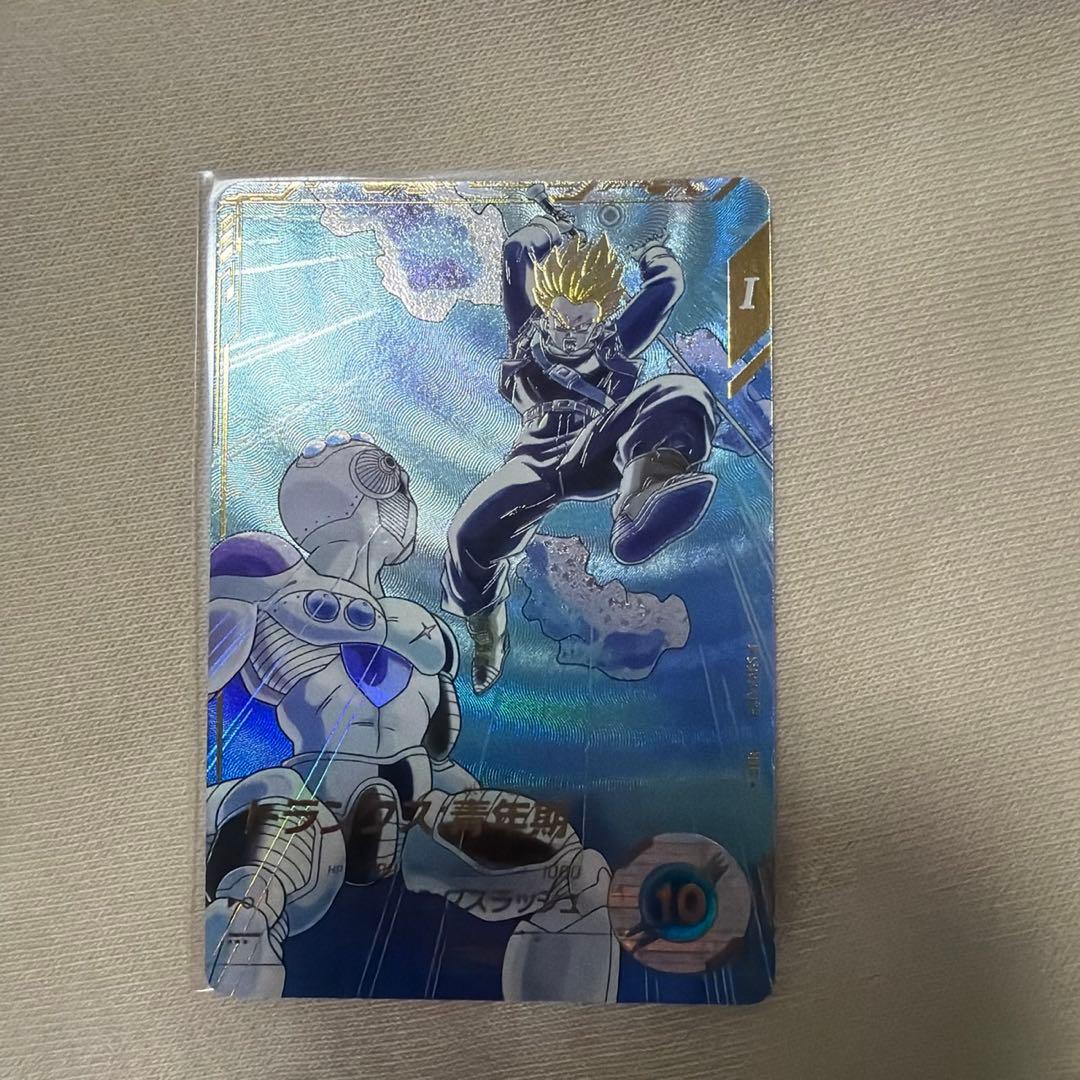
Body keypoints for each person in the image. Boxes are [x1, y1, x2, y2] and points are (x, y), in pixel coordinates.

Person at [442, 215, 718, 694]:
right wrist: (555, 229)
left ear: (601, 316)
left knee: (682, 391)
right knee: (467, 534)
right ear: (546, 309)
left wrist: (650, 250)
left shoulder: (614, 345)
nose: (571, 334)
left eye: (583, 322)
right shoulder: (526, 334)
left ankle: (644, 495)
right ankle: (485, 621)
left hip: (596, 449)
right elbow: (516, 251)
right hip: (534, 461)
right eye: (561, 320)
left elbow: (666, 286)